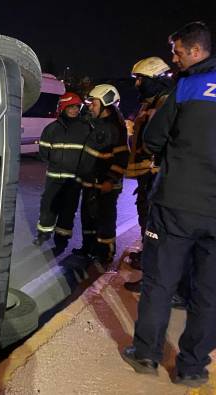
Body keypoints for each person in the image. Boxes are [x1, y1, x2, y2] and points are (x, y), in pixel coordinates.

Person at [121, 27, 216, 387]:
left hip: (176, 205)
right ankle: (192, 367)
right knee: (210, 294)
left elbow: (152, 141)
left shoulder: (190, 86)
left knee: (159, 283)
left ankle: (147, 354)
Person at [166, 21, 216, 307]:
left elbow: (156, 135)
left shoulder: (191, 86)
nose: (175, 58)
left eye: (178, 52)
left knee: (179, 253)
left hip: (187, 192)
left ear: (196, 51)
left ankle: (183, 293)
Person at [122, 57, 173, 292]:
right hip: (147, 173)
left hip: (156, 173)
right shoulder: (150, 103)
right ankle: (148, 260)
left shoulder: (166, 104)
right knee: (146, 218)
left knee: (155, 225)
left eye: (141, 79)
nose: (137, 85)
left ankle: (154, 277)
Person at [72, 84, 129, 269]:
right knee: (88, 218)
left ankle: (105, 253)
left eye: (94, 103)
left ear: (106, 104)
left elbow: (122, 157)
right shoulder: (96, 123)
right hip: (90, 182)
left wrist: (110, 180)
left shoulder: (116, 128)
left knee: (104, 220)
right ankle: (88, 248)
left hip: (105, 185)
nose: (90, 106)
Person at [33, 92, 92, 256]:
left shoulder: (86, 128)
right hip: (54, 178)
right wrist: (56, 161)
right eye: (70, 107)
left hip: (73, 180)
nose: (74, 110)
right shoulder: (51, 129)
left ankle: (61, 242)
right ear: (63, 108)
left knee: (68, 211)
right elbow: (43, 152)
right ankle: (42, 235)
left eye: (76, 107)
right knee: (48, 208)